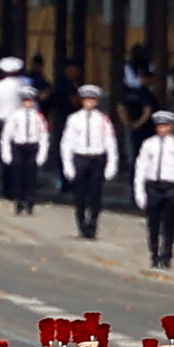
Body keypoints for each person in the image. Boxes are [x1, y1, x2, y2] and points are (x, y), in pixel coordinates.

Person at [133, 107, 174, 270]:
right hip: (153, 186)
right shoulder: (149, 144)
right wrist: (139, 191)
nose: (162, 128)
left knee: (169, 224)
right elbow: (141, 167)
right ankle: (154, 253)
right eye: (160, 125)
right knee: (153, 223)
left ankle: (167, 255)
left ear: (171, 126)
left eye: (166, 125)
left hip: (170, 187)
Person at [59, 84, 119, 239]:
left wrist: (112, 163)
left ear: (97, 101)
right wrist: (67, 164)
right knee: (79, 195)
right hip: (80, 158)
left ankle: (92, 224)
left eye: (92, 100)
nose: (89, 102)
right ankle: (81, 223)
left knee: (95, 194)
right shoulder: (74, 119)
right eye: (86, 100)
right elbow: (67, 142)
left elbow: (110, 141)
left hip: (96, 158)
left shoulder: (103, 119)